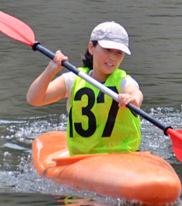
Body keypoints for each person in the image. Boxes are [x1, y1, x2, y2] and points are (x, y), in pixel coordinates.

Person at [27, 21, 143, 155]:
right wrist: (50, 70)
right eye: (107, 50)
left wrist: (132, 99)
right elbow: (34, 99)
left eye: (119, 53)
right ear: (91, 48)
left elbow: (135, 92)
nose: (112, 57)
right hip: (82, 159)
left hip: (122, 155)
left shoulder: (123, 80)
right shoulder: (73, 79)